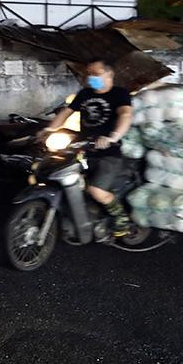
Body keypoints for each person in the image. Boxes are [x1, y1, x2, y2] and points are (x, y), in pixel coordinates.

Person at [42, 59, 133, 236]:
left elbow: (125, 115)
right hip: (83, 150)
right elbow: (66, 112)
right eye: (89, 74)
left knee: (95, 191)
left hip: (108, 153)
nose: (91, 78)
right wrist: (49, 129)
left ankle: (122, 220)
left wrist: (113, 137)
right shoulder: (85, 94)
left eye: (96, 74)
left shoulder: (119, 94)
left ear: (109, 74)